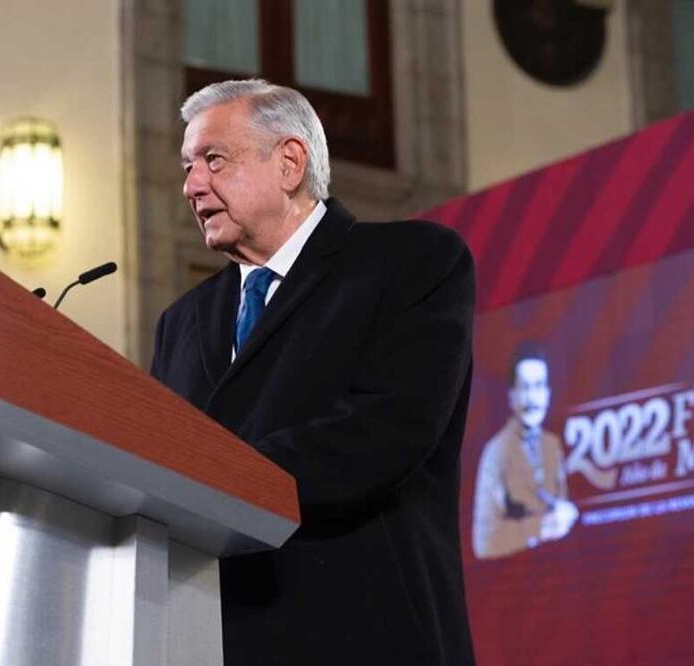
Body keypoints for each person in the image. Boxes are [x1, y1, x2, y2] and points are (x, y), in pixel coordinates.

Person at [150, 79, 475, 665]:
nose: (191, 185)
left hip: (363, 636)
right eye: (187, 166)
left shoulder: (412, 264)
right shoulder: (181, 322)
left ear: (290, 163)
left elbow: (385, 431)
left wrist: (212, 475)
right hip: (212, 641)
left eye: (213, 160)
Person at [471, 343, 579, 560]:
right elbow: (483, 542)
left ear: (548, 394)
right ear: (512, 396)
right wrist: (541, 527)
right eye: (524, 387)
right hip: (513, 580)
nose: (532, 398)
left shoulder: (552, 445)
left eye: (538, 386)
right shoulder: (496, 451)